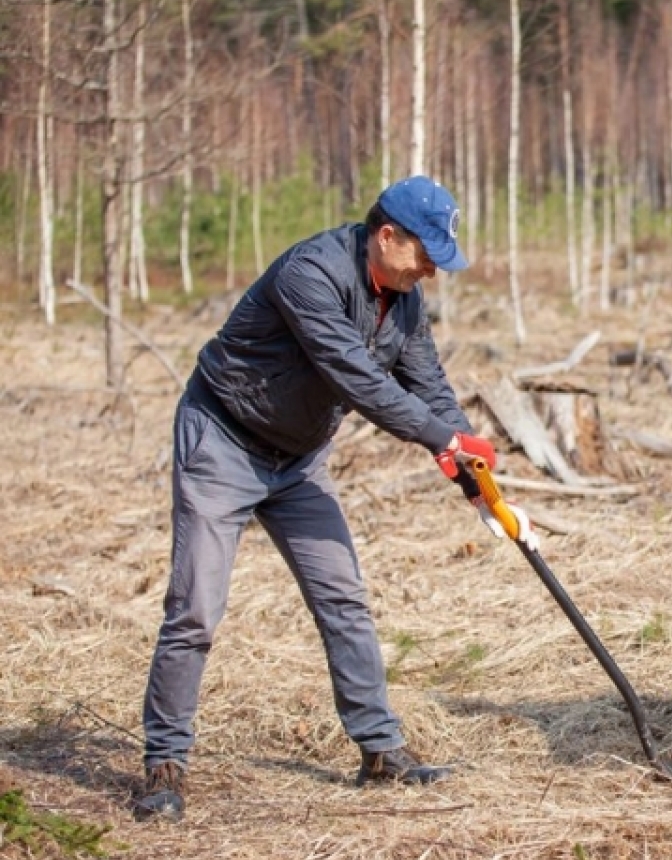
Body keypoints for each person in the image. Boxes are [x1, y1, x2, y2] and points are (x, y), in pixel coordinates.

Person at [135, 176, 538, 822]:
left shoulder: (405, 301)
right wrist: (440, 436)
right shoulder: (310, 275)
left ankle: (380, 753)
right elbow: (355, 376)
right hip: (223, 443)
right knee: (196, 610)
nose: (433, 268)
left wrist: (472, 480)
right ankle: (164, 763)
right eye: (426, 252)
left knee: (343, 597)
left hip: (296, 462)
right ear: (387, 236)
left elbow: (429, 387)